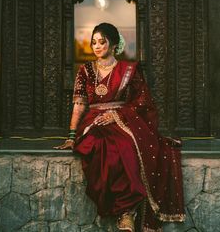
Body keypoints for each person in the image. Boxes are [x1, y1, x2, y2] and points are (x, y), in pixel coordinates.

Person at [55, 22, 185, 231]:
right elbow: (79, 104)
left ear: (113, 44)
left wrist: (116, 115)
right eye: (94, 42)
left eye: (102, 42)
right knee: (96, 147)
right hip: (94, 122)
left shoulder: (129, 70)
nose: (97, 46)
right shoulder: (85, 70)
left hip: (122, 121)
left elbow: (143, 102)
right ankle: (118, 208)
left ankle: (127, 214)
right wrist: (71, 135)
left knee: (126, 147)